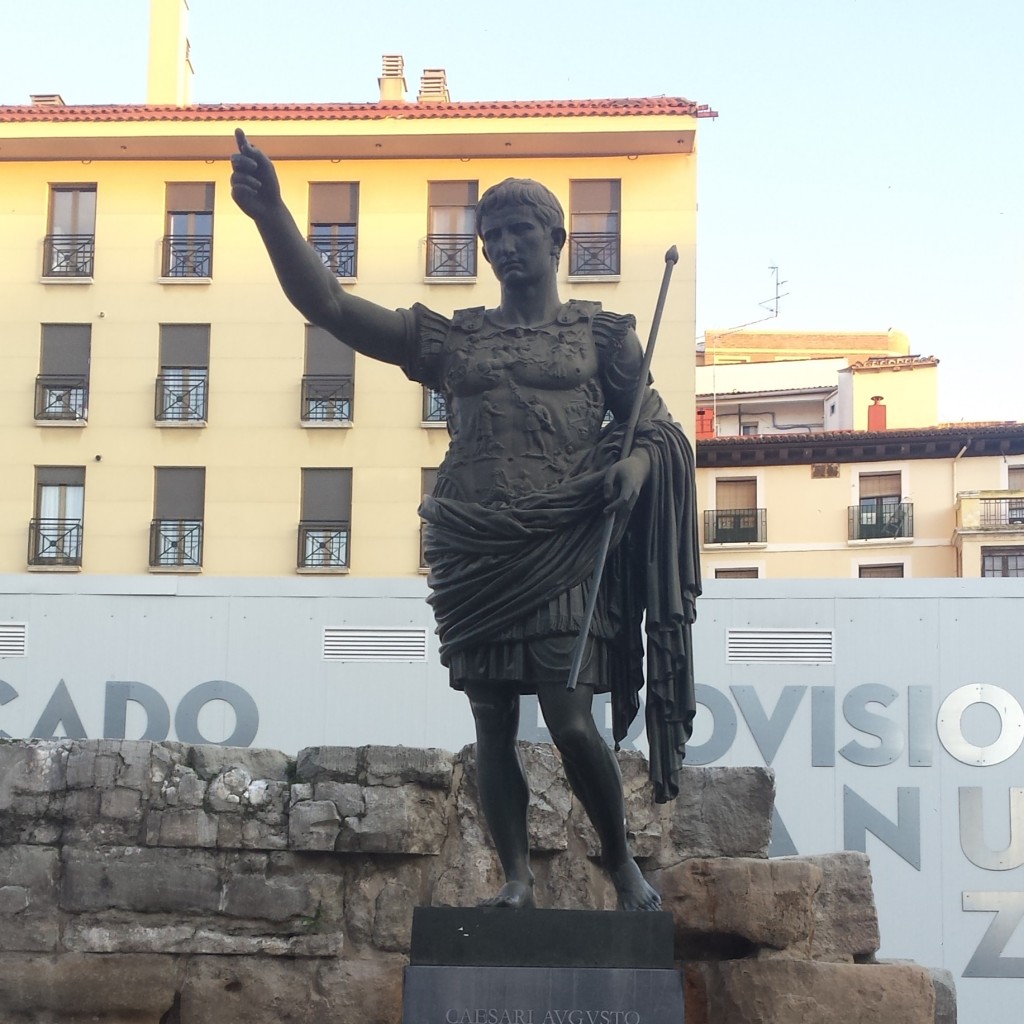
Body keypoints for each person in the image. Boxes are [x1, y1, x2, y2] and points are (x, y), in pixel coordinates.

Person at [230, 130, 700, 911]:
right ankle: (515, 879)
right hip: (472, 539)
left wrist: (636, 466)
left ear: (557, 240)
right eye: (492, 237)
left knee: (569, 715)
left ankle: (620, 863)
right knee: (490, 716)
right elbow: (334, 306)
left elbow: (656, 427)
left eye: (521, 233)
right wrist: (274, 214)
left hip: (561, 542)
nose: (505, 247)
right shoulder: (457, 339)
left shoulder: (602, 335)